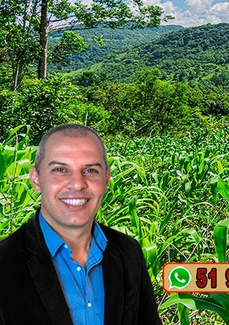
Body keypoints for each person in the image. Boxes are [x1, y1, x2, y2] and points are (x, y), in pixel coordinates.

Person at [0, 124, 162, 325]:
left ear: (106, 179)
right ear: (36, 179)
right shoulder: (4, 262)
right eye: (60, 170)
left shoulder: (129, 252)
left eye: (91, 170)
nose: (77, 184)